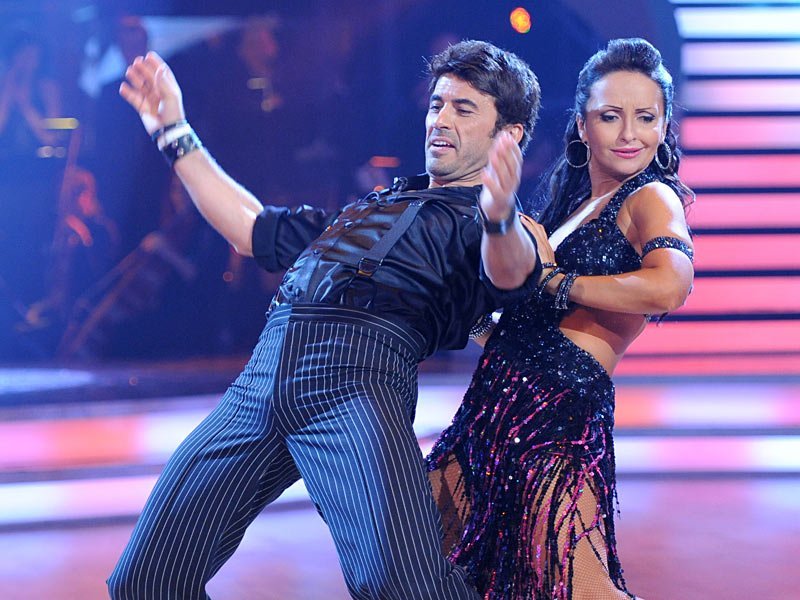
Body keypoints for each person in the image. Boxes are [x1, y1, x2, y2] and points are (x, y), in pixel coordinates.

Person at [108, 40, 542, 599]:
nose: (440, 119)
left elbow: (510, 274)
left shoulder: (492, 225)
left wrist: (500, 214)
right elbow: (252, 228)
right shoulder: (369, 207)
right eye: (437, 104)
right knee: (145, 580)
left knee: (400, 586)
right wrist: (173, 130)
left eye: (464, 109)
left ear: (510, 135)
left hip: (357, 380)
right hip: (261, 379)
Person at [425, 38, 694, 599]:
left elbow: (670, 286)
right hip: (492, 406)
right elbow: (535, 322)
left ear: (665, 126)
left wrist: (556, 280)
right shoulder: (572, 206)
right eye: (610, 116)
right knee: (422, 559)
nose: (629, 134)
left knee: (581, 589)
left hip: (555, 418)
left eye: (646, 118)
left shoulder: (652, 198)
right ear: (581, 125)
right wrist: (479, 322)